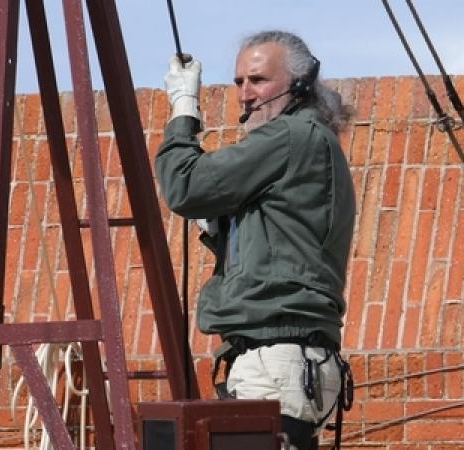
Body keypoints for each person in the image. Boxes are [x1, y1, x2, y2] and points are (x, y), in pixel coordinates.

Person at [155, 30, 355, 450]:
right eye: (239, 82)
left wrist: (182, 109)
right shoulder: (314, 142)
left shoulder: (289, 137)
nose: (246, 94)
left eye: (259, 80)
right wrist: (226, 227)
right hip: (292, 361)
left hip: (275, 361)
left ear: (300, 83)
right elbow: (282, 243)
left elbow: (184, 185)